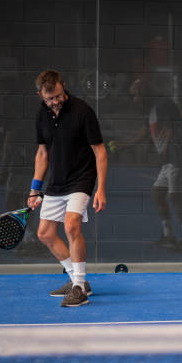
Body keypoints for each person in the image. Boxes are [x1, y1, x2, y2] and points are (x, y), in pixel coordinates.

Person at [27, 70, 107, 307]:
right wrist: (35, 188)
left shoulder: (83, 111)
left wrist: (100, 189)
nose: (55, 101)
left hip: (81, 179)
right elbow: (42, 153)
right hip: (56, 182)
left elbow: (100, 151)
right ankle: (76, 279)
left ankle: (79, 288)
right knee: (45, 233)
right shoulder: (41, 115)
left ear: (64, 86)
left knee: (71, 225)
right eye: (50, 98)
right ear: (40, 95)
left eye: (58, 96)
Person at [125, 78, 182, 251]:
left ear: (143, 92)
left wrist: (165, 150)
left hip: (177, 157)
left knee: (175, 197)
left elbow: (170, 128)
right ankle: (169, 236)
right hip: (167, 161)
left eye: (135, 95)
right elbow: (144, 132)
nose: (134, 99)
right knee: (158, 194)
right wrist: (124, 145)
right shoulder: (151, 109)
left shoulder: (163, 104)